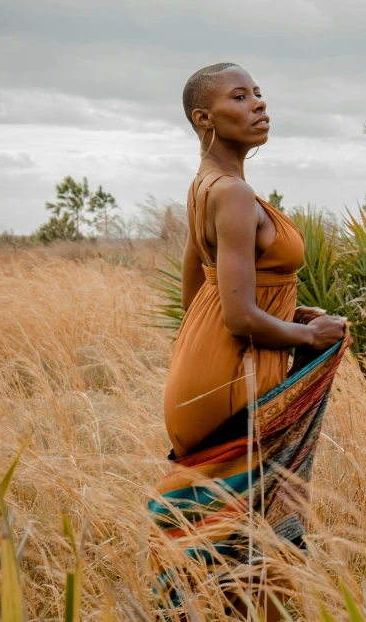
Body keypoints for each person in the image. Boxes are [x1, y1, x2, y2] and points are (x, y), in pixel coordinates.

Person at [150, 63, 351, 621]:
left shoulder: (204, 188)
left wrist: (287, 313)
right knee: (253, 553)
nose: (259, 104)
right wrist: (307, 333)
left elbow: (201, 292)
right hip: (234, 367)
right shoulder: (234, 194)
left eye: (259, 94)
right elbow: (239, 317)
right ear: (204, 118)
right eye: (241, 96)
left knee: (227, 545)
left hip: (200, 369)